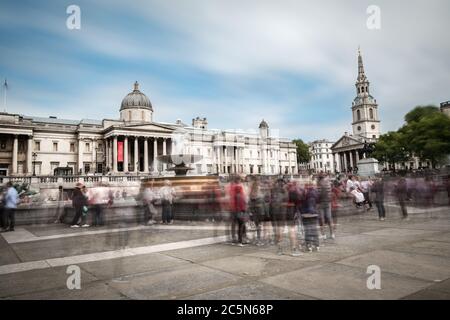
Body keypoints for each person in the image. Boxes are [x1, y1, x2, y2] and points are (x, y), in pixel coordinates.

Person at [300, 183, 320, 252]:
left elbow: (305, 204)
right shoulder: (316, 192)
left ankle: (309, 246)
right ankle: (316, 245)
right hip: (315, 214)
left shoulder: (306, 194)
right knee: (314, 230)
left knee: (308, 230)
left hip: (307, 214)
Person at [228, 176, 248, 246]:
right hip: (240, 212)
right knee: (241, 226)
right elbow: (242, 205)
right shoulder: (240, 196)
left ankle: (235, 240)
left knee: (237, 226)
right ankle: (240, 241)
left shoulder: (234, 194)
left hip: (234, 211)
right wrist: (244, 210)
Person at [318, 175, 334, 240]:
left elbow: (318, 195)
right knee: (329, 219)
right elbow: (330, 194)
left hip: (322, 204)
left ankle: (324, 234)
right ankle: (332, 234)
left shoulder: (320, 185)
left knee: (322, 220)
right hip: (327, 203)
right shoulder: (328, 184)